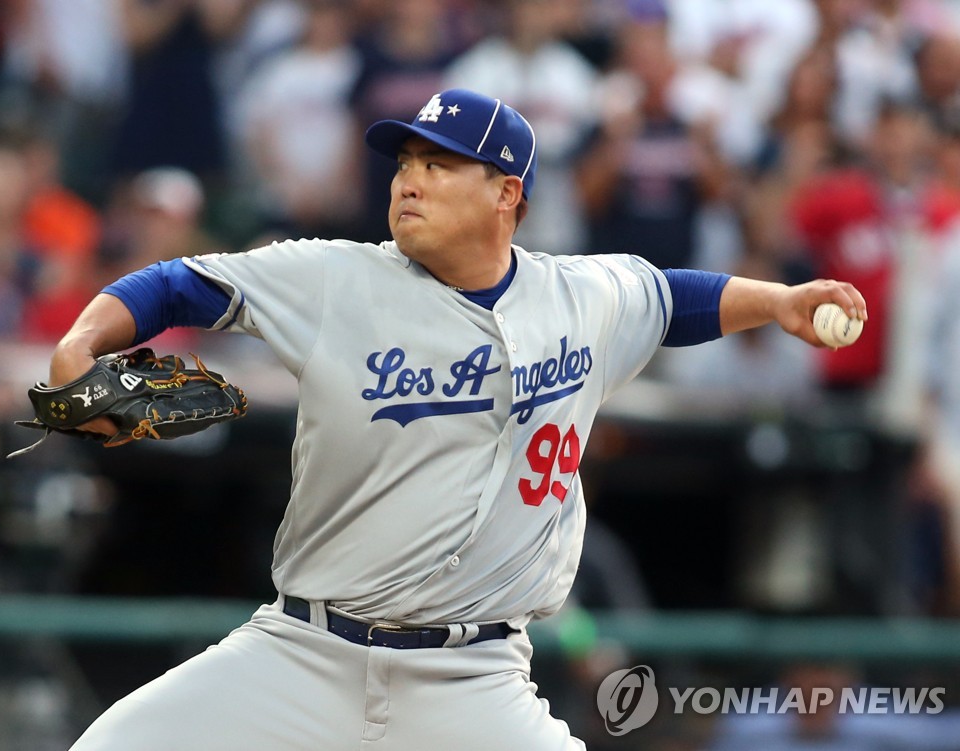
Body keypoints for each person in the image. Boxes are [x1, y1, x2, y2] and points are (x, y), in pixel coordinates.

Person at [48, 88, 866, 750]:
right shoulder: (336, 278)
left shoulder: (580, 298)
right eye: (406, 160)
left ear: (507, 192)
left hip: (471, 680)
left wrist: (781, 301)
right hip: (304, 654)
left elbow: (673, 298)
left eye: (440, 164)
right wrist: (84, 342)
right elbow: (176, 284)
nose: (409, 179)